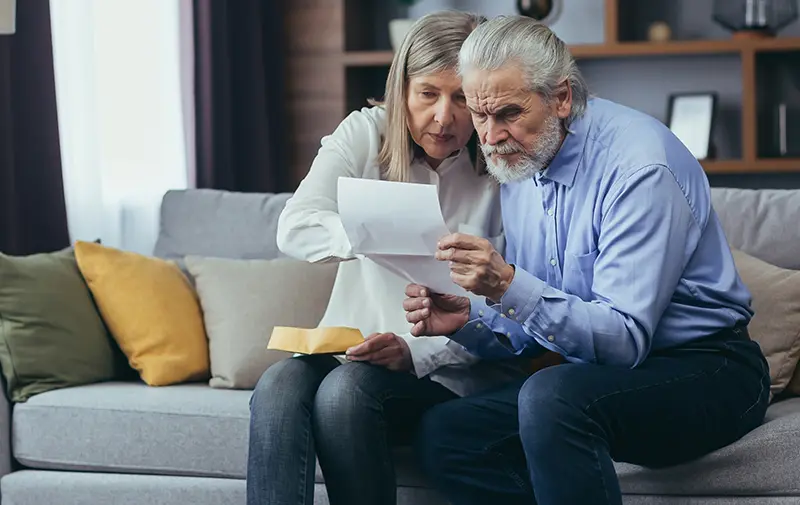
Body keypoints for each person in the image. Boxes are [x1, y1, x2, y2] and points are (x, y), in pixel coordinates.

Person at [402, 15, 771, 505]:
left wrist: (509, 285)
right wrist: (469, 317)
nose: (489, 137)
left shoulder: (640, 168)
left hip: (709, 368)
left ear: (562, 98)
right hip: (591, 375)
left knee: (551, 397)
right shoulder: (522, 161)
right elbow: (535, 320)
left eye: (509, 113)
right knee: (448, 432)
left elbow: (623, 342)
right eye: (481, 115)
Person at [246, 11, 547, 505]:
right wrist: (374, 229)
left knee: (346, 393)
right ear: (401, 90)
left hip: (452, 375)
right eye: (427, 93)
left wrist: (415, 352)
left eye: (462, 99)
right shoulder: (365, 134)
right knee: (279, 385)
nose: (443, 117)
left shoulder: (505, 167)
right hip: (349, 351)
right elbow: (294, 228)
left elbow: (517, 303)